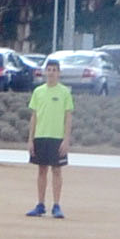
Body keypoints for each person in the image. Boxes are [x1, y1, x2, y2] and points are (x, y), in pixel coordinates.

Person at [23, 57, 73, 217]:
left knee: (56, 170)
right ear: (45, 72)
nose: (51, 73)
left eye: (54, 70)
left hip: (57, 137)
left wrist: (66, 139)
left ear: (59, 73)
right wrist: (30, 139)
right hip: (40, 136)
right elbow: (34, 116)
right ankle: (40, 204)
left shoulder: (64, 92)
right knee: (41, 170)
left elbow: (68, 117)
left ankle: (57, 205)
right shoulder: (38, 92)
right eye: (49, 70)